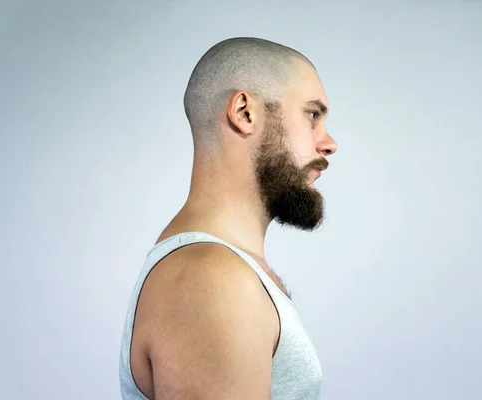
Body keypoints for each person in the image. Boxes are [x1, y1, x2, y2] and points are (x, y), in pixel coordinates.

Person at [118, 37, 338, 400]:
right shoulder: (211, 281)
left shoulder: (222, 270)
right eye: (312, 114)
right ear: (244, 113)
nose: (328, 143)